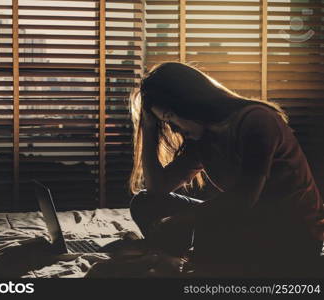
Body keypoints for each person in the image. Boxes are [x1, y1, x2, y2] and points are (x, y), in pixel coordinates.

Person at [128, 62, 324, 277]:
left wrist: (182, 219)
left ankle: (184, 257)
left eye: (169, 117)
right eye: (164, 122)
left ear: (187, 103)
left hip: (289, 230)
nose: (172, 128)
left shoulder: (257, 120)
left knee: (209, 232)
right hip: (247, 218)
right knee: (145, 202)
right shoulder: (203, 137)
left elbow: (244, 198)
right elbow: (158, 188)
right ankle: (182, 257)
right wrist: (148, 128)